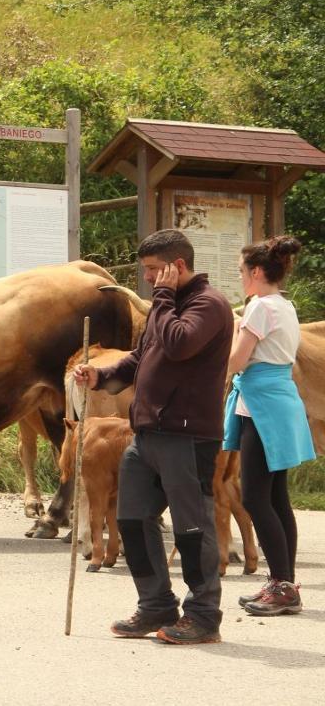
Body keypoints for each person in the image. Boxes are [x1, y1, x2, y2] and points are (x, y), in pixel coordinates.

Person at [73, 229, 233, 645]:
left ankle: (203, 615)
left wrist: (161, 301)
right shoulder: (168, 306)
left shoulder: (209, 305)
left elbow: (179, 344)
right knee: (131, 519)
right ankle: (156, 605)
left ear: (176, 266)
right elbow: (142, 358)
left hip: (187, 436)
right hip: (144, 434)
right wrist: (101, 376)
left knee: (191, 528)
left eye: (151, 271)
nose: (147, 279)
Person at [224, 235, 316, 616]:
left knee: (255, 498)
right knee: (277, 498)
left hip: (261, 405)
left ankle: (281, 584)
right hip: (277, 402)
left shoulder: (259, 307)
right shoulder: (285, 305)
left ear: (257, 271)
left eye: (243, 271)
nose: (241, 277)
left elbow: (237, 361)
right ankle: (284, 583)